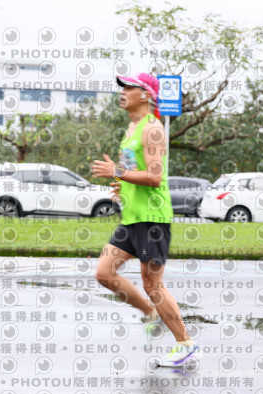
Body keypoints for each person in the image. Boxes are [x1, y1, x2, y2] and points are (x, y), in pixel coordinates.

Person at [91, 72, 202, 367]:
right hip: (132, 218)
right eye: (122, 87)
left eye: (129, 87)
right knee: (104, 273)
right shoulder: (132, 128)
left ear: (146, 95)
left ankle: (186, 345)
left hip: (152, 219)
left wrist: (117, 172)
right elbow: (132, 171)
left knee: (153, 285)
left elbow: (154, 176)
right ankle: (152, 313)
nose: (123, 91)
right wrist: (121, 184)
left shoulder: (152, 129)